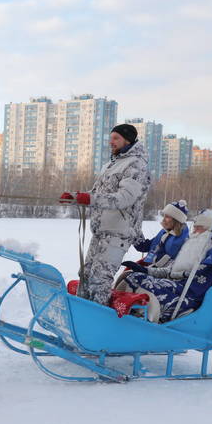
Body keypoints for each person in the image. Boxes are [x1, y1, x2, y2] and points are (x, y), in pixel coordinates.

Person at [72, 124, 151, 306]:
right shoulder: (110, 165)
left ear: (128, 140)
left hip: (118, 234)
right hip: (101, 232)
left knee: (100, 281)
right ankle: (80, 314)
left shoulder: (136, 165)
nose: (111, 142)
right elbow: (97, 193)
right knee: (85, 275)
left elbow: (124, 199)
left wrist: (90, 199)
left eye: (116, 138)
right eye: (111, 138)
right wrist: (76, 197)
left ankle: (96, 323)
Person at [121, 210, 212, 322]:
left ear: (209, 230)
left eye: (199, 227)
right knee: (131, 276)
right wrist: (145, 270)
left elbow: (191, 276)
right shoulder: (174, 238)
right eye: (194, 227)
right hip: (168, 277)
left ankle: (142, 316)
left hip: (184, 290)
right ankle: (126, 309)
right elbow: (168, 268)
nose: (194, 231)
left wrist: (149, 270)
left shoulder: (203, 250)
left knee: (138, 279)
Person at [134, 200, 189, 268]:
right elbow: (146, 246)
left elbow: (166, 263)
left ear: (176, 220)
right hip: (151, 267)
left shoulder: (180, 239)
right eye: (164, 216)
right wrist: (133, 233)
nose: (163, 219)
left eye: (167, 217)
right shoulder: (165, 232)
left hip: (161, 273)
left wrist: (145, 269)